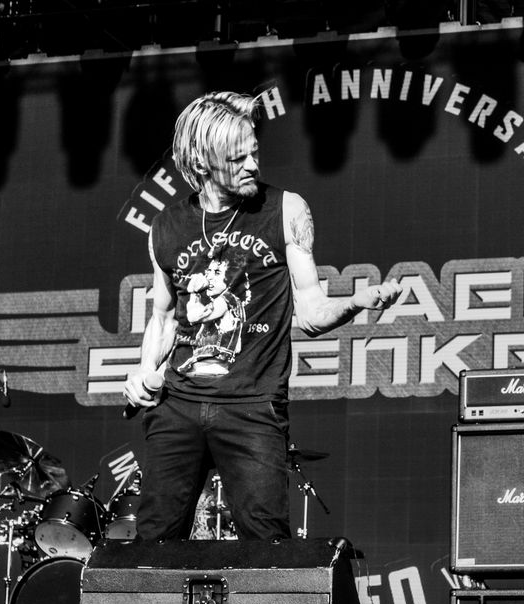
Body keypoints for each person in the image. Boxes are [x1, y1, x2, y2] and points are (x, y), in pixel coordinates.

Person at [121, 92, 400, 545]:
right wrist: (142, 371)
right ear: (203, 162)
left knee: (266, 546)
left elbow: (310, 313)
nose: (253, 164)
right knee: (152, 544)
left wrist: (356, 302)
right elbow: (165, 318)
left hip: (252, 406)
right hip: (178, 405)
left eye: (254, 152)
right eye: (238, 158)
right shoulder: (165, 227)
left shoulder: (285, 210)